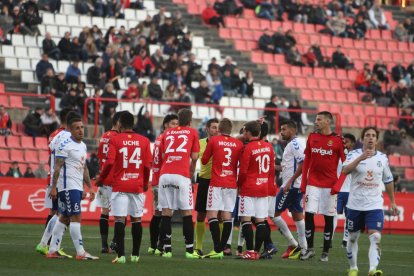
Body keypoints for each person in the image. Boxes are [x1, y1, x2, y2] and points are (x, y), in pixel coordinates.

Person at [97, 111, 152, 264]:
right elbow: (147, 166)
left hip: (120, 185)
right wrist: (145, 182)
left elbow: (108, 163)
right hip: (137, 185)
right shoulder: (145, 141)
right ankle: (135, 255)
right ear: (133, 124)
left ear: (119, 124)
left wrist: (101, 179)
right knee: (136, 220)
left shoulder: (115, 139)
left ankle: (120, 256)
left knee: (119, 219)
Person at [342, 127, 398, 276]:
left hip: (374, 205)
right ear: (362, 139)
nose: (371, 138)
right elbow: (345, 170)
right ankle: (353, 268)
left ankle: (373, 270)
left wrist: (392, 202)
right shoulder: (353, 154)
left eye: (373, 135)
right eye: (367, 135)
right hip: (355, 204)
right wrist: (360, 158)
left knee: (376, 237)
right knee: (353, 238)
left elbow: (388, 180)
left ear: (377, 140)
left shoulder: (382, 158)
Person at [47, 116, 98, 260]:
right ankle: (80, 252)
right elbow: (57, 167)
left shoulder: (82, 145)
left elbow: (84, 167)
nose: (81, 130)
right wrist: (53, 187)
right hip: (67, 187)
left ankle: (52, 250)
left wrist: (89, 187)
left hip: (76, 186)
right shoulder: (65, 145)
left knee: (64, 217)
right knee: (76, 216)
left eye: (82, 127)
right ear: (70, 130)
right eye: (77, 128)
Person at [299, 111, 346, 262]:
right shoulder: (312, 137)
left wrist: (338, 185)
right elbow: (307, 160)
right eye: (316, 119)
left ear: (327, 122)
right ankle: (310, 249)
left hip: (330, 185)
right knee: (309, 214)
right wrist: (303, 183)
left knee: (328, 217)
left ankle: (325, 252)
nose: (315, 122)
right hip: (313, 182)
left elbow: (347, 165)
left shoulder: (338, 141)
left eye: (319, 119)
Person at [156, 108, 201, 259]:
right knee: (186, 213)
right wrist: (190, 174)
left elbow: (163, 155)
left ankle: (167, 249)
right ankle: (189, 251)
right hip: (181, 175)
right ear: (189, 121)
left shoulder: (167, 133)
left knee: (166, 213)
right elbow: (194, 157)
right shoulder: (193, 132)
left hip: (165, 174)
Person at [201, 118, 243, 259]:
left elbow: (204, 160)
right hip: (231, 183)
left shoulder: (214, 140)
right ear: (231, 130)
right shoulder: (238, 144)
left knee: (211, 214)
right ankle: (222, 247)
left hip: (217, 182)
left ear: (219, 129)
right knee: (227, 216)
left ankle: (217, 248)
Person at [35, 108, 74, 257]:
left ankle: (45, 244)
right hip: (62, 179)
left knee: (53, 212)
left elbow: (51, 158)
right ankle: (52, 245)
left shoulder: (53, 135)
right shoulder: (68, 136)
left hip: (52, 176)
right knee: (64, 214)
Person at [237, 120, 275, 260]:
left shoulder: (248, 148)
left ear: (247, 132)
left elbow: (243, 172)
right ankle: (256, 252)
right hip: (263, 188)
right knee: (260, 221)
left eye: (244, 131)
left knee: (246, 219)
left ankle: (250, 250)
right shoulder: (268, 147)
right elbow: (271, 171)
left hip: (249, 188)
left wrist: (239, 185)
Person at [271, 120, 308, 259]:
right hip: (295, 186)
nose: (281, 132)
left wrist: (289, 182)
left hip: (291, 186)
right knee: (298, 216)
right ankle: (304, 249)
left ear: (292, 130)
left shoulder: (295, 144)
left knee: (273, 213)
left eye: (284, 129)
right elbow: (288, 167)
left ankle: (293, 244)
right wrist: (273, 166)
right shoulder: (292, 144)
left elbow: (303, 164)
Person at [148, 114, 179, 254]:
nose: (176, 126)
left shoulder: (159, 138)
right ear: (166, 124)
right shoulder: (168, 138)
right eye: (173, 123)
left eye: (177, 124)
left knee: (158, 213)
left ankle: (153, 245)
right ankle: (160, 245)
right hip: (163, 179)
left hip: (157, 178)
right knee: (165, 214)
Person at [96, 111, 123, 253]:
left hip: (104, 178)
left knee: (104, 211)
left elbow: (101, 157)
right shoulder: (118, 138)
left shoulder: (103, 137)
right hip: (116, 180)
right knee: (121, 214)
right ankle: (114, 242)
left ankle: (104, 245)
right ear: (118, 122)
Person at [194, 118, 219, 255]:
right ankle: (198, 246)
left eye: (218, 127)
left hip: (218, 182)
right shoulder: (200, 143)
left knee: (219, 215)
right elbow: (193, 158)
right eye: (214, 127)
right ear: (207, 129)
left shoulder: (222, 143)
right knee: (200, 215)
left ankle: (220, 247)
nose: (216, 130)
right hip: (204, 181)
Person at [333, 133, 356, 249]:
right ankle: (330, 239)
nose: (344, 143)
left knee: (348, 217)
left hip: (350, 191)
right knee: (333, 215)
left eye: (346, 141)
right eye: (343, 141)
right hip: (338, 190)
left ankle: (345, 239)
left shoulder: (355, 156)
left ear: (352, 143)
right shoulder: (337, 154)